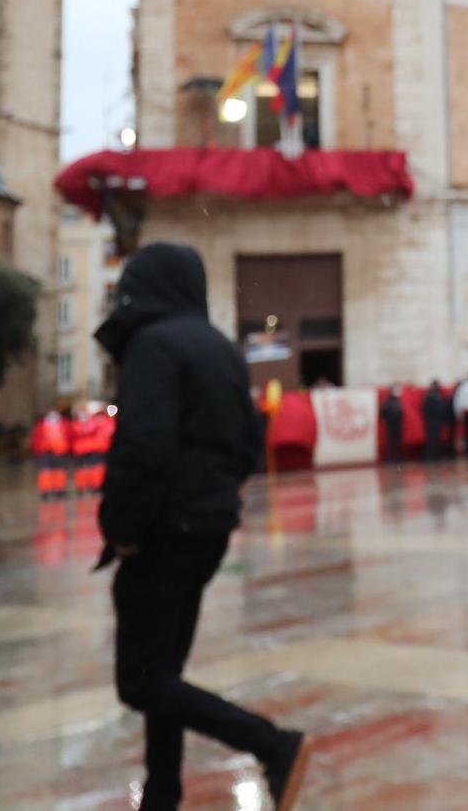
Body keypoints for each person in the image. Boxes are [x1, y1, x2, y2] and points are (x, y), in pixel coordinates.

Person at [94, 243, 310, 811]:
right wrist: (214, 497)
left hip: (162, 529)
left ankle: (272, 744)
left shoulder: (153, 346)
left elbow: (142, 446)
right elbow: (246, 445)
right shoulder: (221, 349)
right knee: (163, 673)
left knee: (139, 682)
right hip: (207, 530)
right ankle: (162, 795)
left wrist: (122, 529)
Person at [32, 402, 74, 501]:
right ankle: (46, 490)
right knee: (45, 472)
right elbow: (36, 439)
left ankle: (59, 489)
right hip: (45, 452)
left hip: (60, 451)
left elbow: (70, 437)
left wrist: (70, 449)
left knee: (59, 471)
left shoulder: (65, 424)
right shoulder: (41, 425)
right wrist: (37, 451)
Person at [420, 380, 454, 462]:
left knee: (436, 440)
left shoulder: (437, 395)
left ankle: (435, 457)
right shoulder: (430, 396)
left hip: (437, 421)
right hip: (432, 421)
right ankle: (431, 457)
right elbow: (426, 410)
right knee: (432, 440)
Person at [378, 387, 406, 465]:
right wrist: (387, 421)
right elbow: (383, 413)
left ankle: (397, 458)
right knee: (391, 442)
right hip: (391, 425)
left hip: (398, 425)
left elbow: (400, 412)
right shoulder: (387, 402)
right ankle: (391, 458)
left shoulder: (398, 401)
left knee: (397, 442)